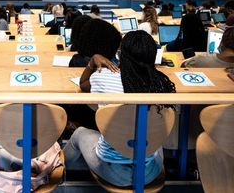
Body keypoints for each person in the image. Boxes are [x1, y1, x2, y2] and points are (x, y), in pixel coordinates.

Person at [65, 31, 176, 187]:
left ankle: (59, 171)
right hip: (151, 171)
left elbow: (83, 84)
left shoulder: (103, 76)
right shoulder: (161, 84)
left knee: (79, 133)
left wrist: (92, 62)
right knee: (153, 135)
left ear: (120, 54)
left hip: (113, 172)